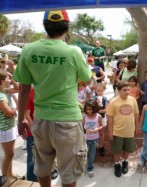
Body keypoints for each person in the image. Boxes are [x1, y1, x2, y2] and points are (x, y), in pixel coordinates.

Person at [13, 10, 91, 187]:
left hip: (41, 120)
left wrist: (20, 120)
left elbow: (24, 88)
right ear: (67, 26)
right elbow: (87, 80)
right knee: (69, 174)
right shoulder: (74, 52)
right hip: (68, 122)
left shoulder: (29, 50)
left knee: (42, 167)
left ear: (44, 26)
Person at [107, 80, 139, 177]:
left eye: (128, 90)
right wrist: (110, 132)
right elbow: (110, 118)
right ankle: (117, 164)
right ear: (118, 90)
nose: (127, 92)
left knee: (128, 149)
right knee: (117, 150)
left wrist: (137, 127)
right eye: (124, 90)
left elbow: (136, 114)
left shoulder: (133, 100)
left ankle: (125, 162)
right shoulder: (113, 102)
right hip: (117, 132)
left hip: (129, 131)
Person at [0, 69, 20, 186]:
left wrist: (12, 78)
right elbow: (9, 113)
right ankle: (3, 176)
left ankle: (10, 173)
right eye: (8, 78)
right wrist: (17, 108)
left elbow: (18, 89)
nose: (10, 80)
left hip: (10, 127)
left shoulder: (3, 89)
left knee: (10, 153)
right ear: (2, 81)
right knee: (9, 154)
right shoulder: (1, 96)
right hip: (4, 129)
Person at [83, 99, 103, 178]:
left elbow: (101, 126)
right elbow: (81, 126)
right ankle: (83, 167)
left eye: (90, 109)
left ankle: (90, 168)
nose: (88, 111)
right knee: (84, 154)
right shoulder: (85, 116)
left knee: (92, 154)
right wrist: (85, 129)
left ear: (94, 108)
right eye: (87, 109)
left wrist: (97, 129)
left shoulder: (99, 116)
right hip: (86, 139)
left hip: (95, 139)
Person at [93, 83, 109, 157]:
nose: (99, 92)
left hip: (102, 118)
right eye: (98, 90)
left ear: (103, 91)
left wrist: (98, 110)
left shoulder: (105, 99)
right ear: (96, 91)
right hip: (94, 118)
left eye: (101, 90)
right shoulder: (94, 99)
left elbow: (106, 110)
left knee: (101, 133)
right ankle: (94, 145)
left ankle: (101, 146)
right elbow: (91, 108)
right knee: (94, 131)